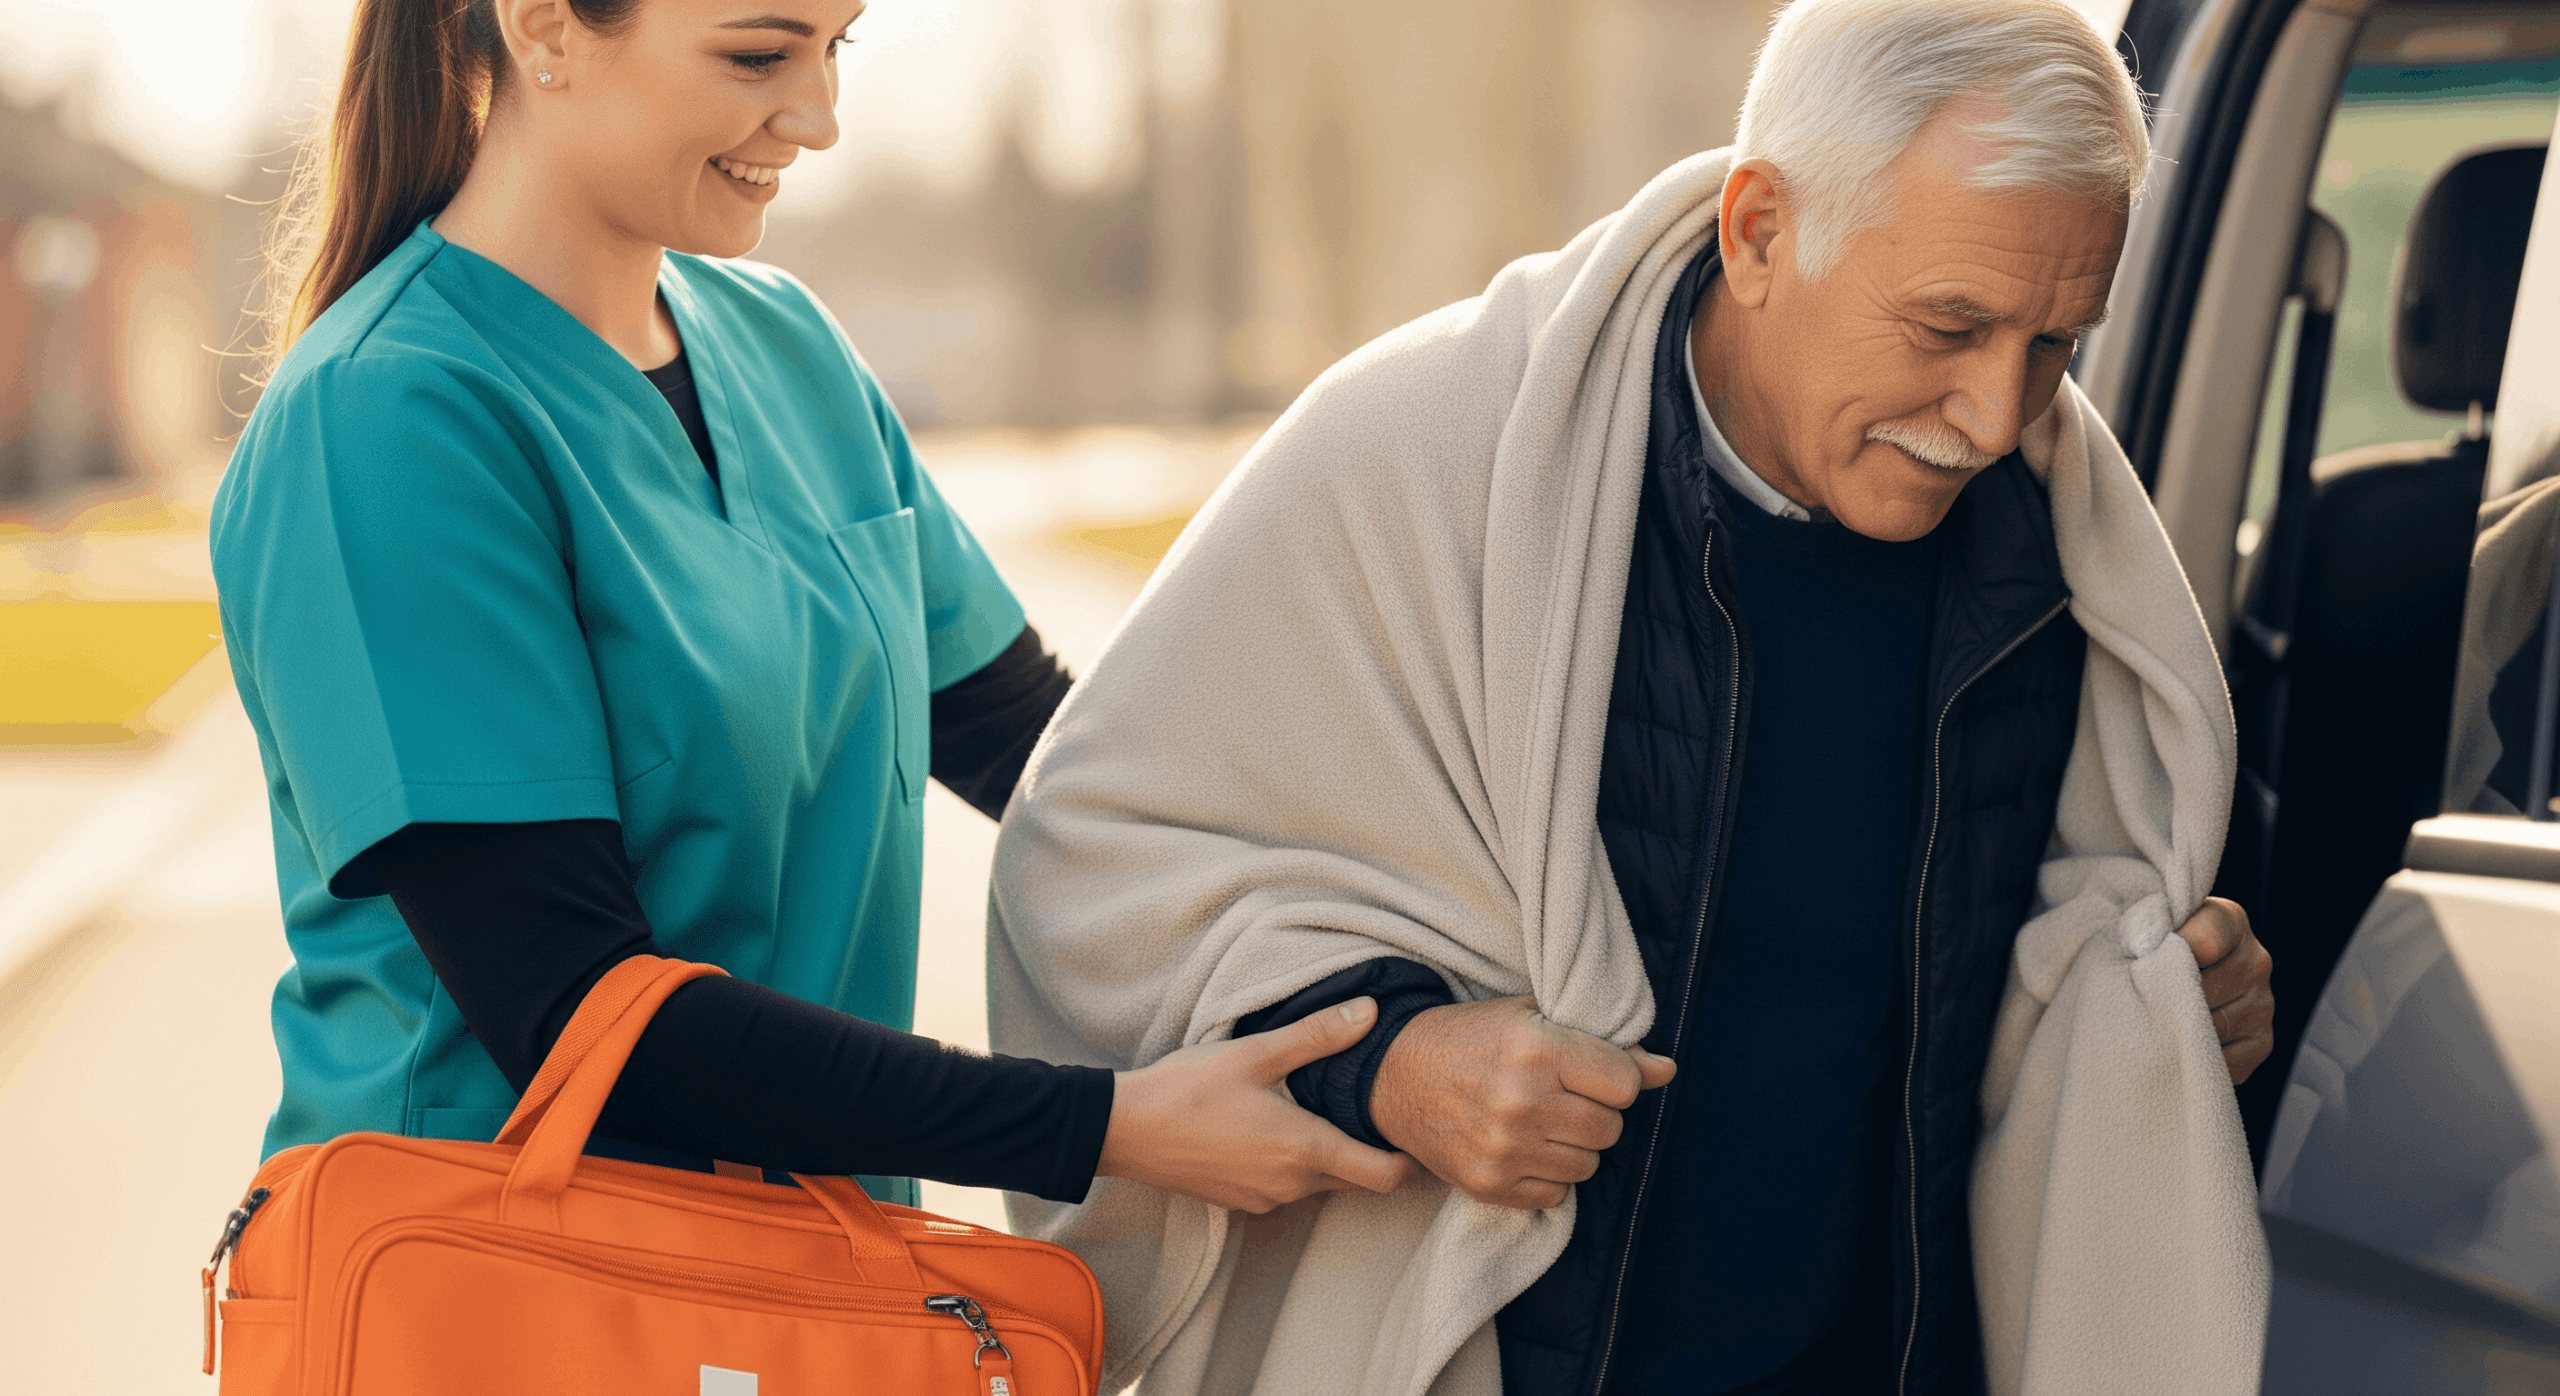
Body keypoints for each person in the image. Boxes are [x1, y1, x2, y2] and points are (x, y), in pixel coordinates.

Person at [988, 2, 2276, 1393]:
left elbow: (2087, 919)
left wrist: (2178, 993)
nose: (1992, 413)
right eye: (1946, 326)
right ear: (1760, 229)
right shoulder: (1414, 462)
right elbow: (1097, 867)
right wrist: (1395, 1063)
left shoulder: (2064, 558)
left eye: (2055, 345)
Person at [212, 0, 1415, 1229]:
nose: (819, 118)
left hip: (804, 1290)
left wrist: (1400, 988)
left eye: (834, 49)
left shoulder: (791, 352)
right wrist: (1112, 1126)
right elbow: (581, 1018)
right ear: (545, 29)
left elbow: (1055, 759)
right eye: (757, 55)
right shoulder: (386, 421)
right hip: (490, 1297)